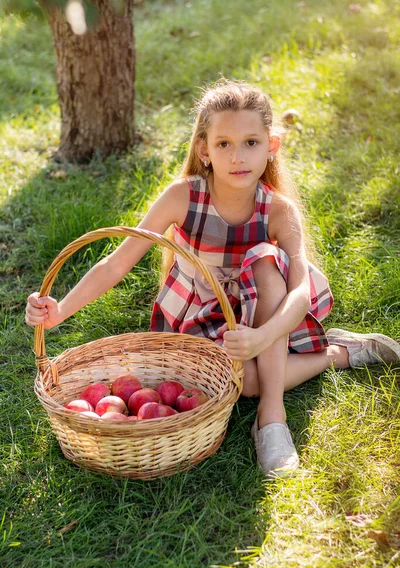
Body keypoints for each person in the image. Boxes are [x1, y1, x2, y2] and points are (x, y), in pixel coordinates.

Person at [25, 79, 400, 479]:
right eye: (224, 144)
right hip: (201, 317)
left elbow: (301, 293)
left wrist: (261, 336)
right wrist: (60, 309)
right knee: (248, 381)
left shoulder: (278, 211)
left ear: (271, 145)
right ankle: (336, 353)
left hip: (265, 315)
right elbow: (117, 264)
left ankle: (272, 419)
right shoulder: (183, 197)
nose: (238, 156)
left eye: (251, 143)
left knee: (265, 260)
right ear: (204, 148)